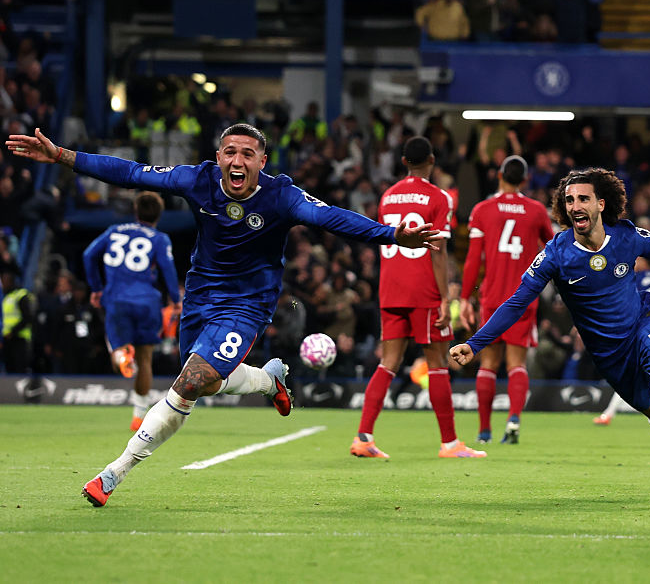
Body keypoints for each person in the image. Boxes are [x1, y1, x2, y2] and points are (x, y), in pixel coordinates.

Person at [7, 125, 441, 506]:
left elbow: (332, 218)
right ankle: (269, 380)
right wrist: (62, 156)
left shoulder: (282, 196)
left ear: (262, 161)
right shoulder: (198, 180)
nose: (237, 161)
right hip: (199, 299)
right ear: (219, 158)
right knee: (205, 381)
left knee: (190, 382)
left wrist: (392, 233)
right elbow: (131, 172)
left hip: (247, 304)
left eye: (247, 154)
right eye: (230, 152)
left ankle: (114, 473)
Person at [451, 168, 650, 491]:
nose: (575, 205)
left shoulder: (627, 236)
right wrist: (476, 344)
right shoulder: (556, 254)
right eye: (569, 200)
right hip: (607, 352)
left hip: (641, 325)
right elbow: (516, 303)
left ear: (601, 204)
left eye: (583, 199)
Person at [350, 136, 485, 459]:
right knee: (437, 363)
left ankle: (363, 438)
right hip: (423, 290)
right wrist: (442, 298)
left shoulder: (388, 197)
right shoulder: (438, 197)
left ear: (403, 162)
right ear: (432, 160)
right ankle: (450, 444)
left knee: (389, 362)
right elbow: (438, 252)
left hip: (391, 288)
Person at [460, 155, 554, 444]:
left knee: (488, 364)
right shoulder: (536, 211)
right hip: (523, 297)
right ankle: (513, 421)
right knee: (517, 365)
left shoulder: (483, 209)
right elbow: (553, 248)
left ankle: (484, 431)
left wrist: (465, 297)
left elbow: (474, 258)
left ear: (499, 174)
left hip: (492, 297)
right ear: (525, 180)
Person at [82, 191, 182, 431]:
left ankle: (123, 356)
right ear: (159, 215)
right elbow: (168, 269)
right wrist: (176, 299)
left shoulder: (113, 231)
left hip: (116, 300)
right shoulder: (159, 238)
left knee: (117, 353)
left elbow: (88, 255)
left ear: (135, 211)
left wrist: (96, 288)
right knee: (145, 357)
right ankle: (138, 416)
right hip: (148, 301)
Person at [593, 255, 650, 426]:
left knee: (632, 372)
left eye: (637, 260)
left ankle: (609, 414)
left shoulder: (637, 278)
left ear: (645, 262)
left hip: (643, 328)